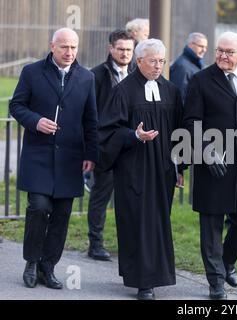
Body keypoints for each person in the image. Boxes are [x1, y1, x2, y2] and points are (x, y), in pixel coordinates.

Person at [183, 31, 237, 300]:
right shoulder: (200, 80)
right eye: (219, 50)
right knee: (211, 226)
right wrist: (207, 152)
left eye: (228, 52)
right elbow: (190, 123)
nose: (221, 55)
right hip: (213, 165)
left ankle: (227, 262)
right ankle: (216, 282)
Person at [9, 28, 98, 289]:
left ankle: (48, 267)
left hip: (71, 157)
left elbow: (91, 119)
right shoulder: (32, 72)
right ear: (52, 46)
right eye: (64, 47)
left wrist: (91, 154)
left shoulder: (86, 77)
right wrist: (36, 121)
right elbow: (16, 106)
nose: (69, 52)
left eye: (73, 47)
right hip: (38, 154)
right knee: (38, 207)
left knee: (61, 213)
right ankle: (32, 261)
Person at [98, 38, 183, 300]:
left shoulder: (171, 91)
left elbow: (180, 132)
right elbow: (108, 131)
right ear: (138, 61)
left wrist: (180, 166)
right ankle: (142, 281)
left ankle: (158, 276)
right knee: (137, 221)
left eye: (161, 61)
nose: (158, 66)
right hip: (134, 169)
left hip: (164, 170)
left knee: (158, 221)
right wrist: (133, 136)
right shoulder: (123, 91)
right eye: (152, 61)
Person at [86, 30, 134, 261]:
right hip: (105, 147)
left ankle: (129, 244)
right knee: (100, 196)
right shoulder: (97, 75)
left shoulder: (137, 73)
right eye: (121, 49)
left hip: (132, 147)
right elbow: (89, 114)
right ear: (110, 48)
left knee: (130, 199)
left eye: (129, 49)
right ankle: (95, 243)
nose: (125, 53)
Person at [170, 32, 208, 102]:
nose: (204, 50)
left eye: (205, 47)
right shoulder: (182, 67)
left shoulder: (197, 63)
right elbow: (180, 98)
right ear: (190, 45)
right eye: (201, 46)